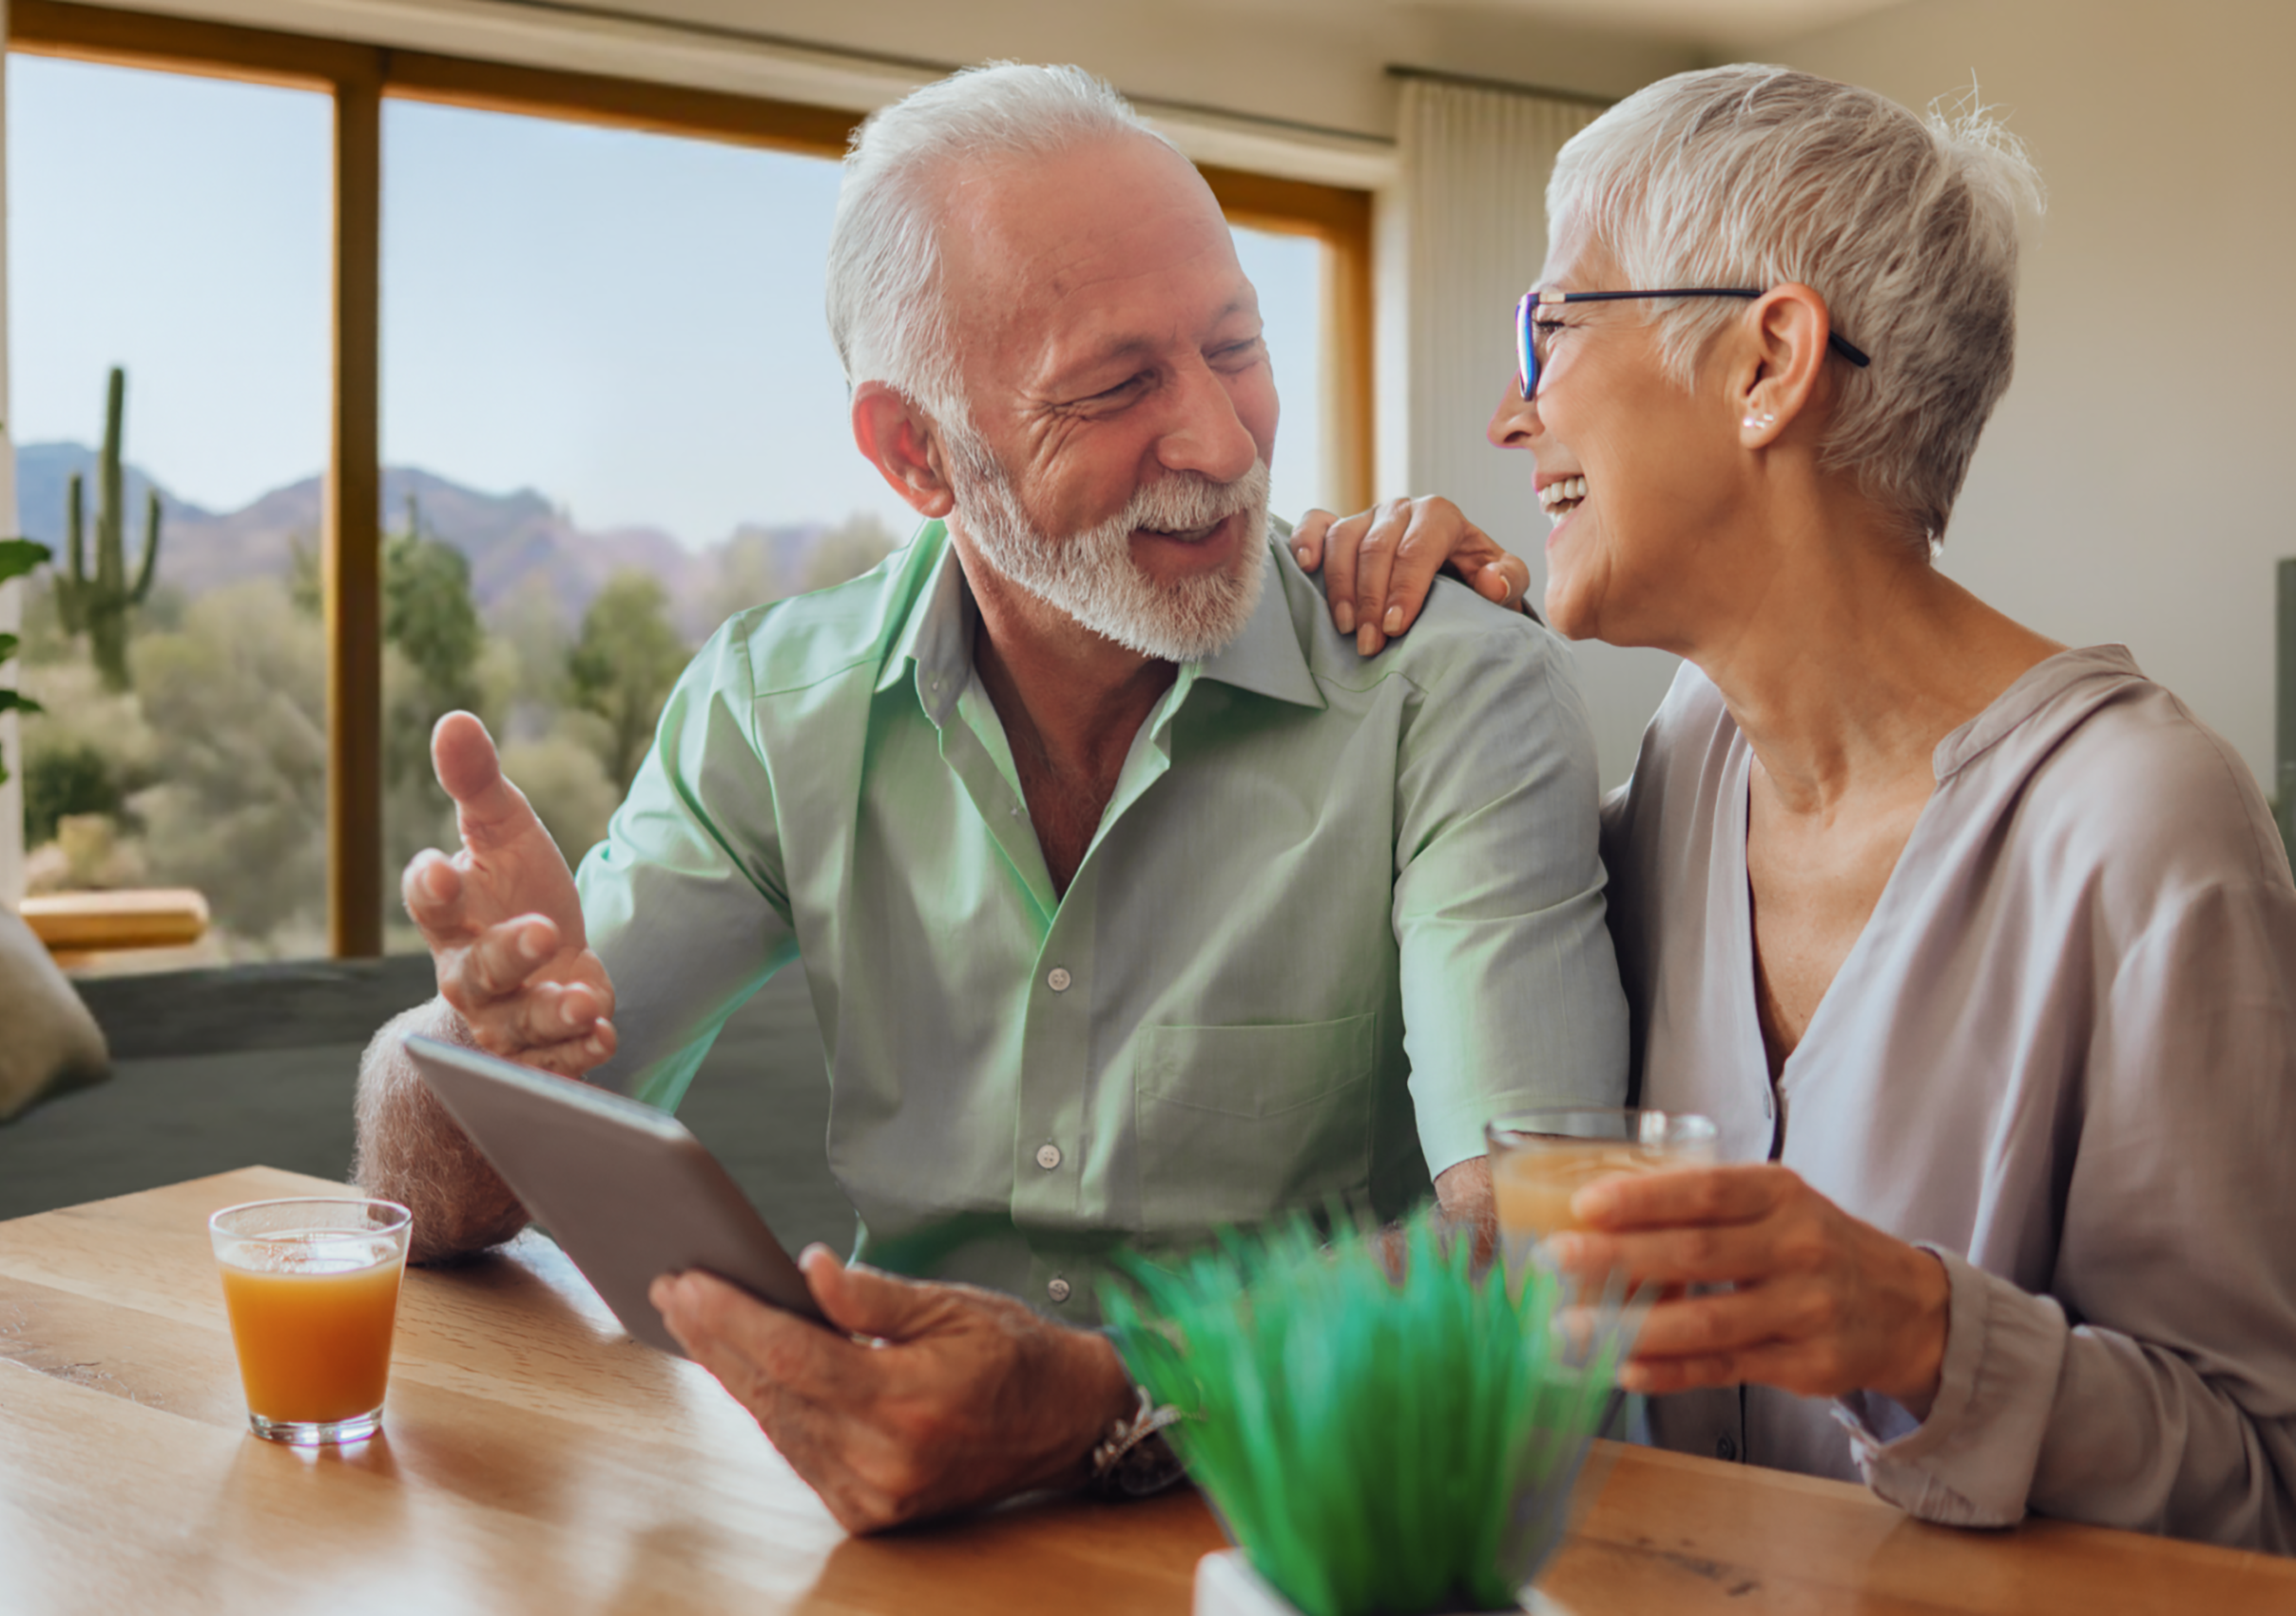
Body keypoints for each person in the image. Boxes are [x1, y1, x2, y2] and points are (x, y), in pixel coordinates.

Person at [353, 63, 1626, 1533]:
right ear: (915, 453)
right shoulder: (774, 709)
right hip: (904, 1525)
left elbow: (1534, 1238)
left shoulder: (1443, 693)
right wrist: (474, 1033)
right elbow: (446, 1202)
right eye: (1115, 386)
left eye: (1235, 346)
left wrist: (1111, 1405)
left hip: (1309, 1520)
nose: (1221, 443)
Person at [1303, 64, 2296, 1550]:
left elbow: (2260, 1485)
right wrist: (1415, 656)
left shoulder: (2146, 832)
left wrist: (1922, 1333)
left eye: (1549, 329)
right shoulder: (1692, 764)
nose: (1511, 415)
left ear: (1769, 362)